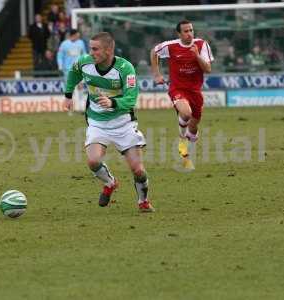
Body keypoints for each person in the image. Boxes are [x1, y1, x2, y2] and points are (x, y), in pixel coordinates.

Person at [62, 32, 154, 212]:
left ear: (109, 50)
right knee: (93, 161)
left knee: (138, 171)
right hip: (97, 122)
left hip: (124, 124)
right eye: (90, 48)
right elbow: (73, 72)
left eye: (95, 49)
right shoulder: (85, 62)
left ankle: (143, 201)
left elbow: (131, 98)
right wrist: (68, 94)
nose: (91, 53)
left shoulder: (125, 68)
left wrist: (113, 102)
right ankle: (110, 183)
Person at [150, 20, 213, 169]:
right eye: (185, 31)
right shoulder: (171, 46)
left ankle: (187, 148)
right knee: (186, 113)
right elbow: (154, 52)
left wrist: (197, 56)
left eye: (191, 30)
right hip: (177, 88)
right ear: (179, 34)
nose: (189, 33)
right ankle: (181, 140)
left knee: (194, 128)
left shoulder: (202, 45)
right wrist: (156, 74)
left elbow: (208, 69)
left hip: (195, 91)